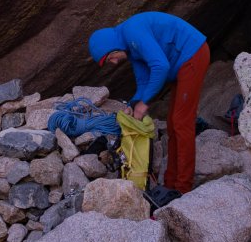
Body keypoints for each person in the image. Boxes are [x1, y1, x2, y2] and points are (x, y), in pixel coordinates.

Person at [88, 11, 210, 196]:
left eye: (110, 57)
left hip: (192, 54)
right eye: (108, 62)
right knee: (172, 123)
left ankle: (183, 188)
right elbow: (144, 82)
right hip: (180, 64)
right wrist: (133, 103)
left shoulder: (133, 31)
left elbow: (160, 66)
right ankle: (170, 184)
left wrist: (144, 104)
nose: (113, 63)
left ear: (113, 46)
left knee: (181, 122)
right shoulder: (131, 49)